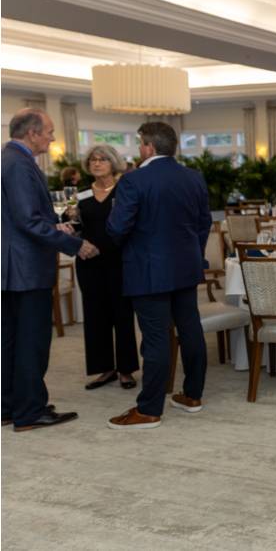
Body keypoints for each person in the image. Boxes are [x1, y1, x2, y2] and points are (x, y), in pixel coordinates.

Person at [106, 121, 212, 429]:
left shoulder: (133, 180)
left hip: (148, 269)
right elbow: (204, 223)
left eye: (141, 143)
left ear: (149, 147)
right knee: (190, 330)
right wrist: (193, 253)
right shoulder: (193, 177)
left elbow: (117, 227)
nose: (139, 148)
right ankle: (192, 395)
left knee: (155, 339)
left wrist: (126, 245)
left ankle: (149, 410)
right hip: (186, 267)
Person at [2, 108, 98, 431]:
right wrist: (73, 244)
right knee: (32, 342)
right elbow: (28, 221)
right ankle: (30, 411)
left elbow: (18, 218)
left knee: (11, 341)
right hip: (25, 269)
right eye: (49, 132)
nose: (52, 138)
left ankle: (10, 406)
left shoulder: (8, 159)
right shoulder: (19, 164)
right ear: (32, 133)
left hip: (12, 268)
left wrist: (54, 226)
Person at [71, 145, 139, 390]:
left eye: (103, 159)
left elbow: (132, 226)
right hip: (89, 262)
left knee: (122, 315)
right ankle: (105, 369)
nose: (97, 163)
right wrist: (69, 223)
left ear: (113, 163)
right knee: (95, 316)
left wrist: (103, 247)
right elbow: (76, 227)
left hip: (119, 260)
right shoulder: (80, 195)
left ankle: (126, 369)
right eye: (93, 160)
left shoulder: (125, 190)